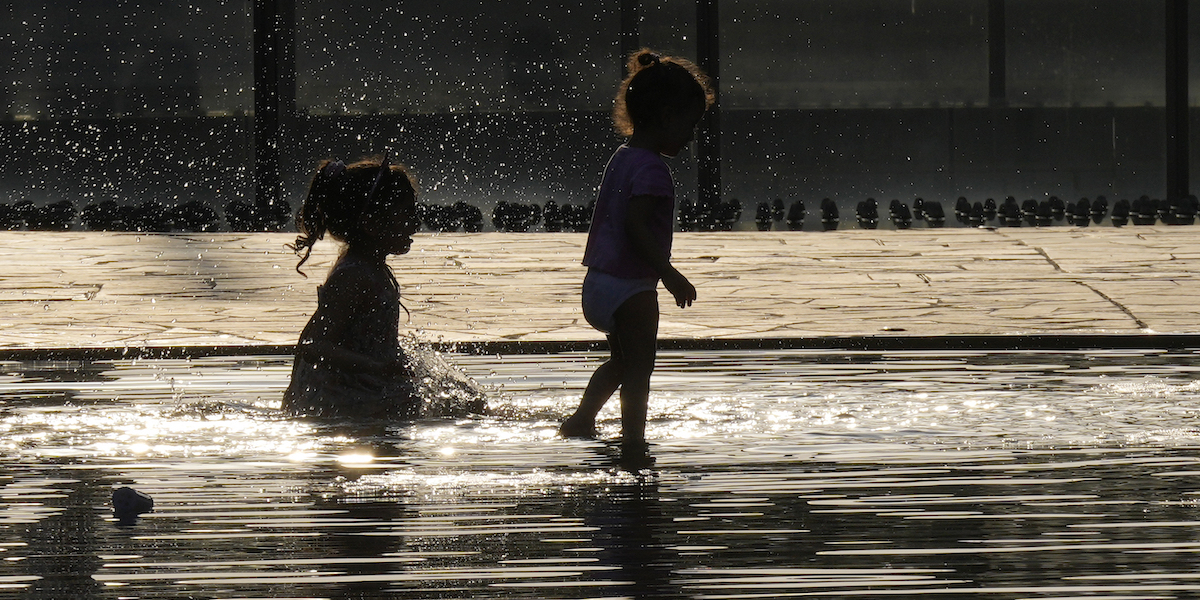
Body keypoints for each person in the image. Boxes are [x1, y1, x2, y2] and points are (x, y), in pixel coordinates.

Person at [559, 49, 715, 456]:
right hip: (632, 286)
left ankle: (581, 421)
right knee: (641, 367)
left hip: (599, 281)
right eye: (691, 124)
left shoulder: (623, 157)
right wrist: (668, 272)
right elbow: (636, 227)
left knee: (623, 362)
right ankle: (633, 443)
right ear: (666, 117)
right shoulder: (653, 170)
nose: (693, 136)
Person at [283, 154, 425, 420]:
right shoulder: (354, 276)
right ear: (371, 223)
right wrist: (377, 367)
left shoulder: (373, 268)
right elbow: (314, 345)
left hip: (360, 395)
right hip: (336, 406)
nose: (415, 223)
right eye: (406, 213)